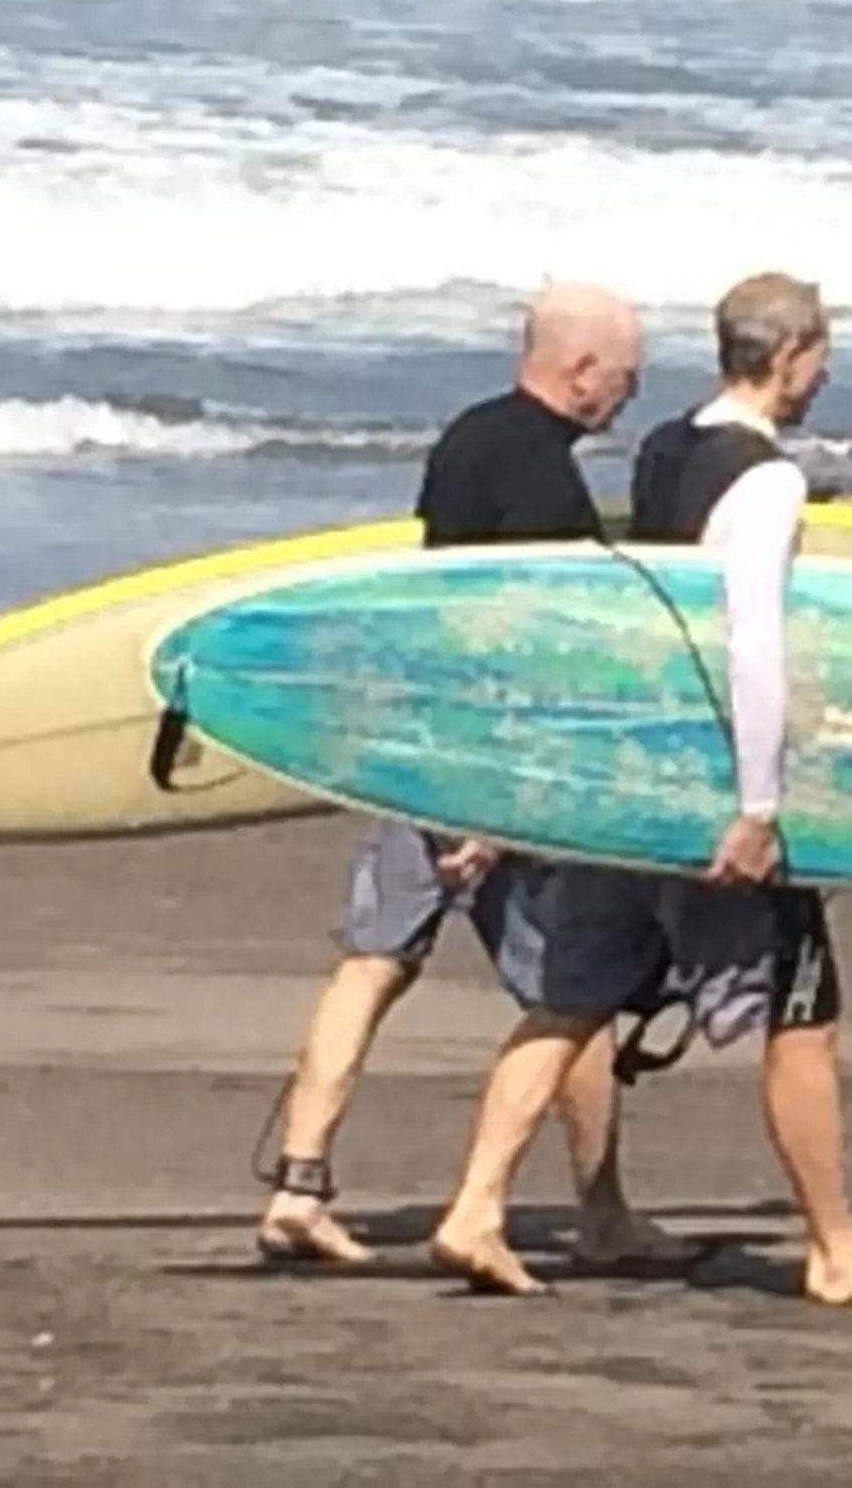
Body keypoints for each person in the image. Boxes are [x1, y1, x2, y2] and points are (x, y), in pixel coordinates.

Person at [427, 272, 852, 1307]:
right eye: (820, 353)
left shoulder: (664, 448)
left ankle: (476, 1205)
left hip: (640, 777)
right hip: (712, 781)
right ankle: (838, 1250)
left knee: (575, 998)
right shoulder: (766, 481)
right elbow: (750, 643)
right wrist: (758, 807)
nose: (826, 371)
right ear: (790, 356)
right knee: (804, 1015)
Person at [253, 281, 681, 1270]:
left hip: (410, 744)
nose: (626, 398)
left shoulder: (466, 440)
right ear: (582, 369)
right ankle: (603, 1216)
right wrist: (491, 813)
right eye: (625, 378)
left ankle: (298, 1186)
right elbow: (532, 652)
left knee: (372, 963)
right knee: (572, 988)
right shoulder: (545, 488)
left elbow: (431, 600)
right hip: (490, 768)